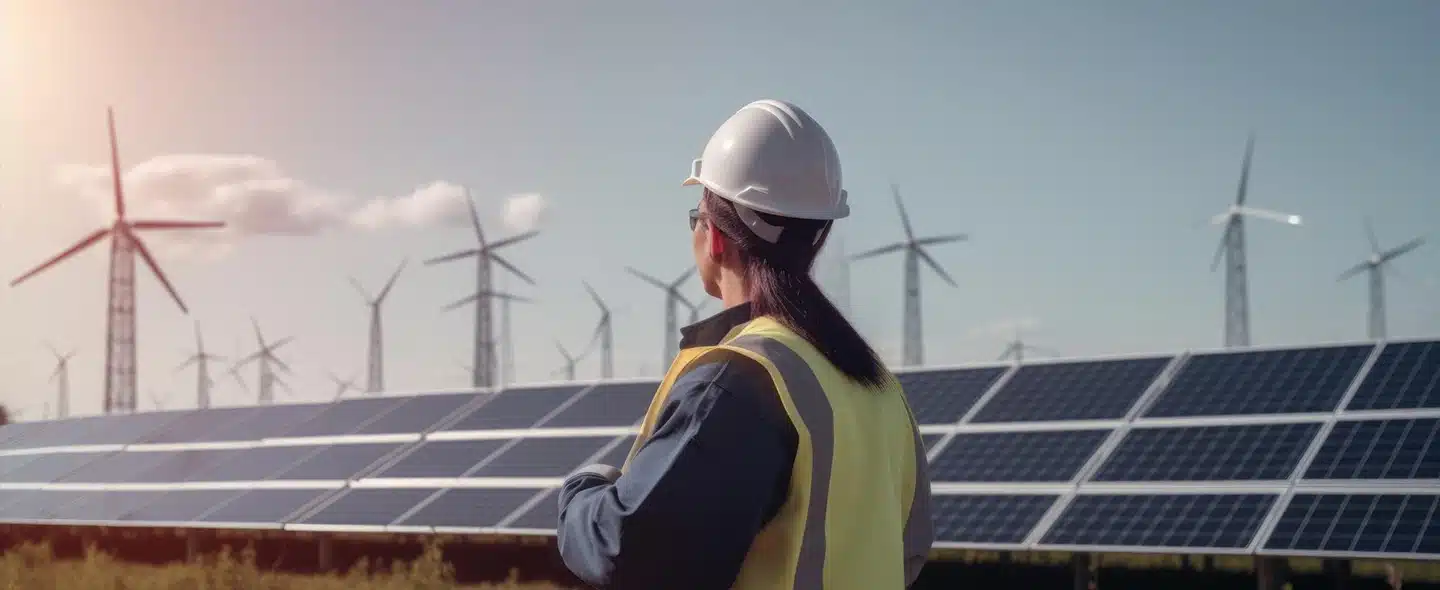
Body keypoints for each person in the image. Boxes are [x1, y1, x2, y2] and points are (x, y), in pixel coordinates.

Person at [556, 99, 934, 589]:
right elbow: (909, 548)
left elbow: (631, 550)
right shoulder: (878, 388)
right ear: (818, 236)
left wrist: (582, 490)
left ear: (713, 236)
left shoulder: (743, 383)